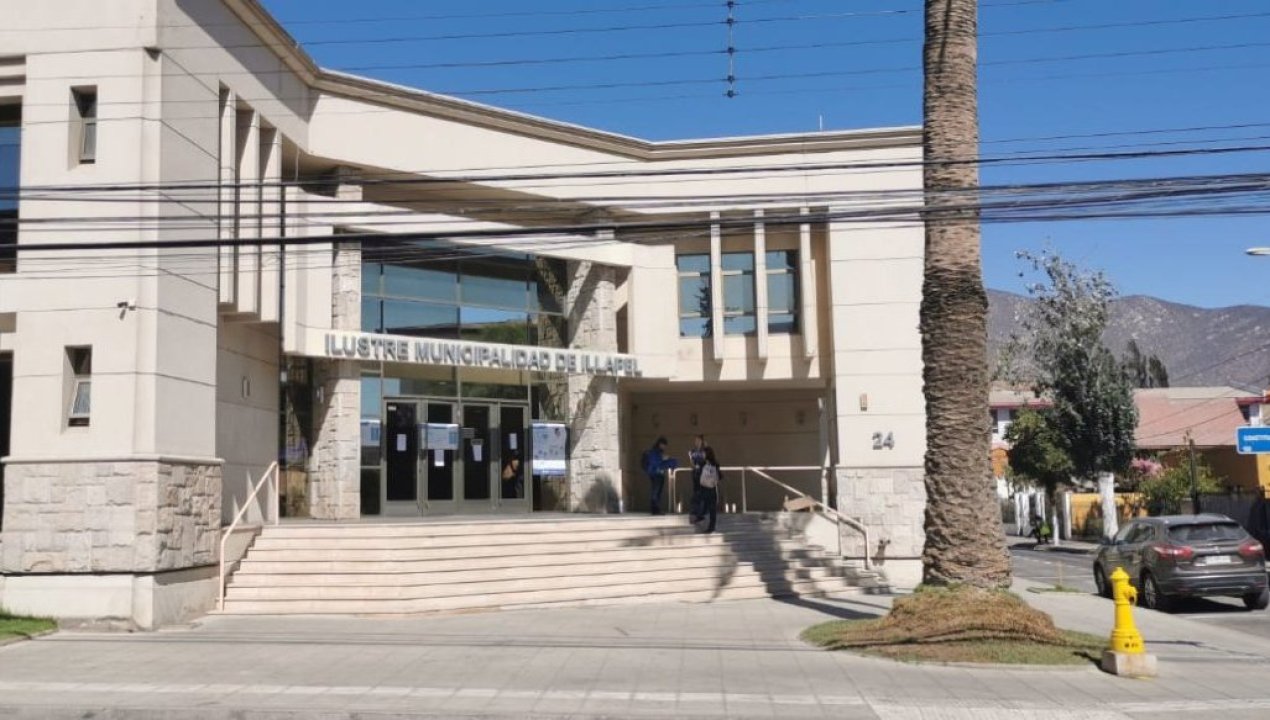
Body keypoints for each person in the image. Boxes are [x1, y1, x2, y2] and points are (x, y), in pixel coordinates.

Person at [642, 436, 677, 515]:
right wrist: (664, 458)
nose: (664, 447)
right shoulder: (656, 452)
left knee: (656, 491)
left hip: (654, 473)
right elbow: (657, 462)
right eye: (664, 445)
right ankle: (655, 509)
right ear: (661, 444)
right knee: (656, 492)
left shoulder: (654, 451)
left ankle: (655, 509)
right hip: (656, 474)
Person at [696, 446, 721, 533]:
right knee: (702, 505)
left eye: (703, 453)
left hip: (711, 488)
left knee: (712, 508)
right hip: (703, 487)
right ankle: (702, 520)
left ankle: (711, 527)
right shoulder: (702, 464)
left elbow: (719, 476)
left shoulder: (714, 464)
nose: (702, 455)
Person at [688, 435, 707, 522]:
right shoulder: (692, 451)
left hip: (703, 474)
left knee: (702, 494)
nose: (697, 442)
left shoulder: (705, 450)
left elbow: (706, 460)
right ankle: (695, 513)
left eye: (699, 440)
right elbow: (692, 463)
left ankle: (700, 513)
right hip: (696, 474)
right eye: (696, 440)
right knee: (697, 493)